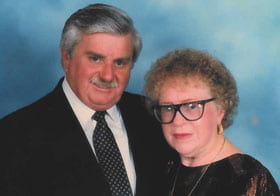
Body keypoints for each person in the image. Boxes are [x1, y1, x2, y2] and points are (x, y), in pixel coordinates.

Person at [0, 4, 174, 196]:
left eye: (120, 62)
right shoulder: (12, 136)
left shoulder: (156, 117)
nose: (108, 76)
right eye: (95, 59)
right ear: (66, 58)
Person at [144, 48, 280, 196]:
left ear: (221, 109)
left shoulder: (248, 179)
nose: (177, 121)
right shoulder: (164, 167)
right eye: (168, 107)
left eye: (192, 106)